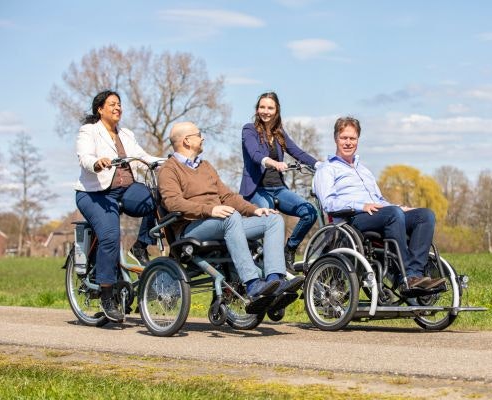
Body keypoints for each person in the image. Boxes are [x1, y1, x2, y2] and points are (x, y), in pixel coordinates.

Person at [158, 121, 304, 313]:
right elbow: (173, 203)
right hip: (191, 228)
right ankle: (251, 283)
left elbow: (227, 197)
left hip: (223, 222)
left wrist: (254, 210)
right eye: (199, 134)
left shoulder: (206, 166)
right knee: (230, 216)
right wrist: (209, 210)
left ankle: (274, 280)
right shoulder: (169, 169)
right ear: (186, 140)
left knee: (273, 219)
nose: (203, 138)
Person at [313, 117, 445, 294]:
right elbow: (328, 203)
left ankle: (415, 273)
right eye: (344, 138)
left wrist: (399, 207)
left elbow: (380, 200)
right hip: (352, 219)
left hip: (379, 213)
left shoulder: (364, 170)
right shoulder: (327, 169)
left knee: (425, 216)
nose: (348, 142)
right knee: (393, 214)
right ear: (336, 138)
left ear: (358, 140)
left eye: (352, 138)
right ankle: (404, 276)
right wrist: (361, 205)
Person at [75, 90, 163, 322]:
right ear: (100, 109)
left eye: (119, 104)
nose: (117, 108)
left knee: (157, 198)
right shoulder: (89, 131)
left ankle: (141, 244)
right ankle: (106, 294)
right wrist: (96, 162)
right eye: (112, 104)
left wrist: (167, 161)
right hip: (96, 194)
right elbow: (84, 156)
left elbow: (143, 157)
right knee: (111, 236)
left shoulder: (126, 133)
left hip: (126, 190)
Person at [240, 92, 320, 271]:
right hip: (257, 189)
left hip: (278, 188)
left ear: (276, 111)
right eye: (262, 107)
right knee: (271, 218)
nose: (265, 111)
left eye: (270, 108)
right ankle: (271, 268)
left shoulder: (279, 134)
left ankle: (289, 250)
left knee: (309, 212)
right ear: (257, 109)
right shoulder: (249, 130)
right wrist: (273, 162)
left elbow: (298, 152)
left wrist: (320, 165)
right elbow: (255, 154)